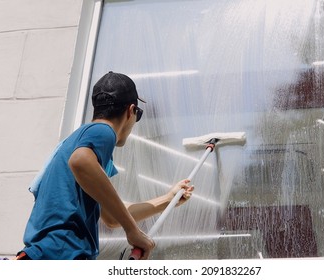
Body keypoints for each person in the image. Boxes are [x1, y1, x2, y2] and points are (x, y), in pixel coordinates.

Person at [16, 71, 194, 260]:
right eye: (138, 114)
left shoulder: (79, 143)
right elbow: (81, 162)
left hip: (45, 254)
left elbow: (111, 217)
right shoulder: (102, 131)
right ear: (131, 111)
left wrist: (168, 200)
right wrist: (132, 230)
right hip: (62, 254)